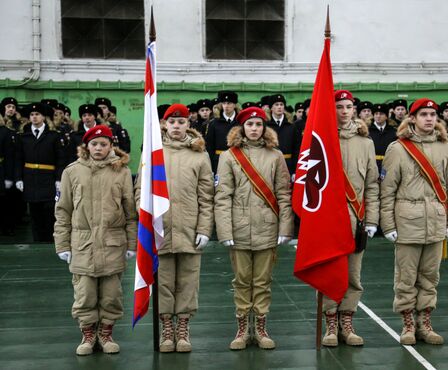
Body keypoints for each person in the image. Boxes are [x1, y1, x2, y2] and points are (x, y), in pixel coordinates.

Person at [380, 98, 448, 346]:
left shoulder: (445, 147)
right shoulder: (398, 148)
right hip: (406, 222)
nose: (429, 119)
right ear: (412, 118)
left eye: (433, 115)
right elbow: (387, 190)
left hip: (436, 221)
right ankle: (407, 324)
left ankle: (424, 324)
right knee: (406, 278)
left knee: (429, 278)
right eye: (424, 114)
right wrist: (389, 225)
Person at [136, 104, 214, 353]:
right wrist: (148, 222)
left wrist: (204, 229)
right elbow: (141, 190)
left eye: (182, 122)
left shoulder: (200, 154)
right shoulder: (152, 153)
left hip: (190, 229)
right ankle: (166, 328)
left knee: (189, 282)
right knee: (164, 282)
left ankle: (183, 327)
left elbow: (206, 195)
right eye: (172, 122)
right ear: (165, 125)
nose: (177, 126)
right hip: (162, 230)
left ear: (188, 124)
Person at [53, 125, 137, 355]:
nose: (98, 148)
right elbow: (63, 211)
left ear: (111, 146)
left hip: (113, 243)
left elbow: (130, 212)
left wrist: (131, 243)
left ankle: (106, 333)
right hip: (82, 244)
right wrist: (62, 244)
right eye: (94, 144)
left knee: (112, 294)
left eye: (103, 144)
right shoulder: (72, 172)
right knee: (85, 293)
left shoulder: (121, 172)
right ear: (86, 146)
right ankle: (88, 334)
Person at [215, 106, 293, 350]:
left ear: (264, 128)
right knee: (241, 281)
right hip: (238, 229)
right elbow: (222, 196)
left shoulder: (276, 156)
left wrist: (285, 228)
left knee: (262, 281)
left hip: (268, 228)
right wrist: (224, 231)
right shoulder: (228, 156)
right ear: (241, 128)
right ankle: (242, 329)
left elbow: (283, 194)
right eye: (250, 125)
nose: (254, 129)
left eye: (259, 125)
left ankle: (260, 328)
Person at [321, 90, 379, 347]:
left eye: (348, 106)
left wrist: (372, 220)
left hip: (357, 218)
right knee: (331, 272)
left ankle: (347, 321)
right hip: (329, 220)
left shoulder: (366, 143)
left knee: (354, 275)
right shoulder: (321, 140)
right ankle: (330, 322)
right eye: (339, 107)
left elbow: (372, 184)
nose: (344, 111)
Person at [15, 102, 65, 242]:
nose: (34, 117)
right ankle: (37, 241)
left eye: (37, 114)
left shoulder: (53, 136)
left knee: (49, 212)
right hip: (30, 178)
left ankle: (50, 241)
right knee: (35, 213)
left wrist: (59, 179)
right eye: (32, 115)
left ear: (43, 117)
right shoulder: (24, 137)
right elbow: (18, 158)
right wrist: (18, 178)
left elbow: (60, 159)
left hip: (48, 179)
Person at [206, 90, 239, 174]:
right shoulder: (214, 123)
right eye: (224, 103)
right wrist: (211, 165)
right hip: (219, 160)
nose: (226, 106)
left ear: (234, 105)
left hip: (238, 159)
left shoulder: (240, 122)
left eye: (229, 103)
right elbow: (210, 146)